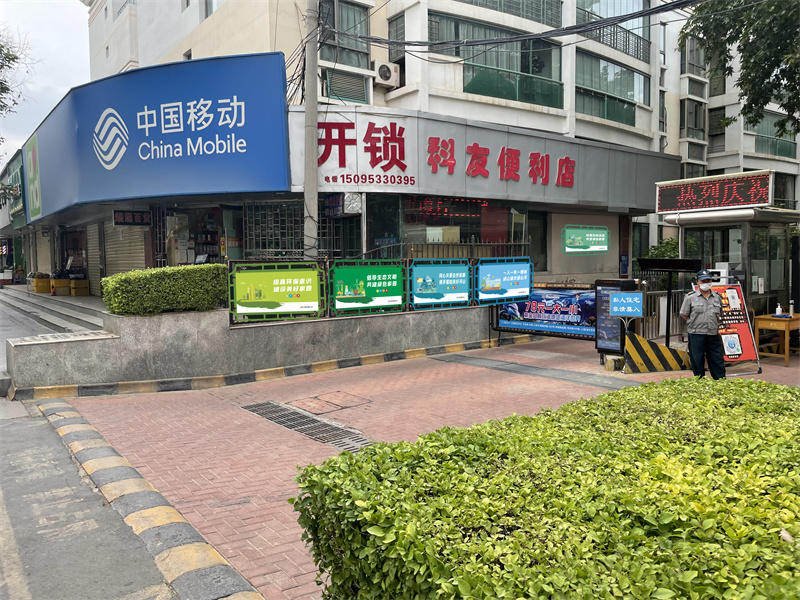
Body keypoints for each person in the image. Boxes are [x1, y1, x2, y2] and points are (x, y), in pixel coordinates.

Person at [680, 269, 725, 379]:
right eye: (703, 281)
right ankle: (700, 381)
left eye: (708, 281)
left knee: (717, 358)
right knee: (697, 359)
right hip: (696, 333)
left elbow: (721, 313)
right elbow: (684, 313)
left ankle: (720, 381)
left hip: (713, 333)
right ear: (698, 282)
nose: (706, 283)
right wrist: (693, 321)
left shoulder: (717, 297)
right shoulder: (690, 297)